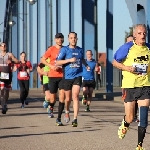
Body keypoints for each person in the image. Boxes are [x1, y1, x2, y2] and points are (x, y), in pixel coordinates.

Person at [112, 24, 150, 150]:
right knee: (130, 117)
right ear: (134, 35)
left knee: (143, 118)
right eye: (139, 33)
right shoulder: (127, 47)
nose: (142, 35)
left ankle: (139, 145)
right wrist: (127, 68)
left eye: (144, 33)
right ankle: (125, 123)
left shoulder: (149, 48)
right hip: (130, 86)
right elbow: (114, 62)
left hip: (145, 86)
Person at [56, 32, 90, 127]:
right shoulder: (65, 49)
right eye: (71, 38)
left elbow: (82, 59)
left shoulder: (80, 50)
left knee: (75, 96)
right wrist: (69, 60)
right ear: (68, 39)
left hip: (77, 76)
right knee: (68, 98)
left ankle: (75, 119)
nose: (73, 39)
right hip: (67, 77)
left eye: (74, 38)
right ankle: (67, 111)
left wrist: (86, 65)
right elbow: (57, 62)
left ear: (77, 39)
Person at [41, 33, 65, 125]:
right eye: (58, 38)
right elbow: (42, 60)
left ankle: (58, 118)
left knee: (62, 96)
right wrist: (51, 65)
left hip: (62, 75)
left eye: (61, 38)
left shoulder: (65, 49)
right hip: (52, 75)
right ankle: (51, 106)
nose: (60, 40)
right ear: (55, 40)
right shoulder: (51, 49)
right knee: (53, 98)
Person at [0, 42, 19, 114]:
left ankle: (5, 104)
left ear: (6, 47)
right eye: (2, 46)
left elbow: (17, 61)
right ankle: (3, 107)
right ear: (0, 47)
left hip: (8, 74)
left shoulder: (9, 54)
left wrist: (11, 61)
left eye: (4, 46)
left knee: (6, 91)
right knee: (2, 89)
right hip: (0, 74)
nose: (3, 47)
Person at [125, 34, 139, 122]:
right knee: (129, 106)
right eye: (129, 42)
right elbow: (116, 62)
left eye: (132, 41)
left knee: (139, 100)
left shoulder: (140, 50)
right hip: (128, 82)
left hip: (141, 81)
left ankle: (136, 116)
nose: (131, 43)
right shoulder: (124, 52)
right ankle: (127, 119)